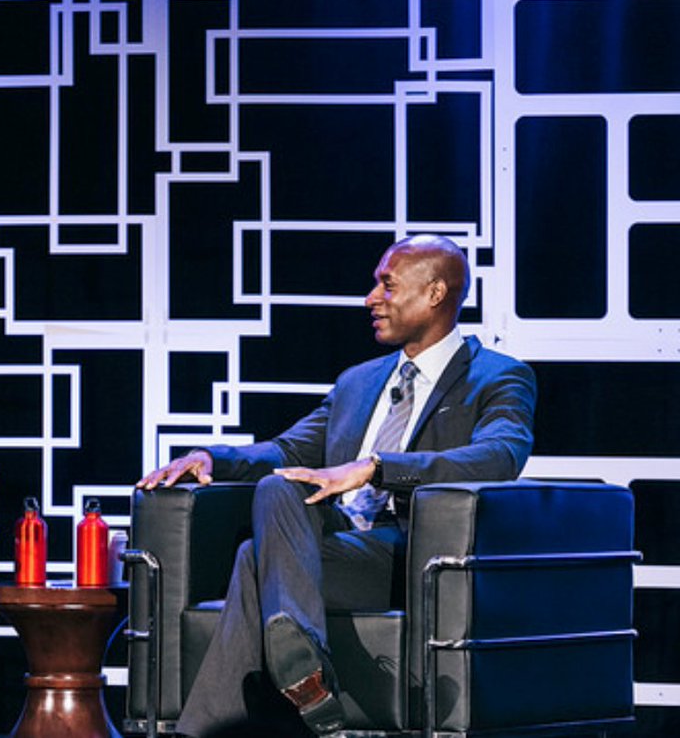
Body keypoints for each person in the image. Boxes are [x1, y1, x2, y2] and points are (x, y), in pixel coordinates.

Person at [138, 235, 536, 737]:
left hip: (408, 554)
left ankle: (207, 726)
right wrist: (211, 457)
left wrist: (377, 468)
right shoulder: (358, 382)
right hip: (337, 544)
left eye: (387, 285)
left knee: (252, 559)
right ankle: (306, 674)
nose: (371, 299)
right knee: (278, 489)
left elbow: (500, 456)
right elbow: (288, 451)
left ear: (435, 293)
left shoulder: (498, 377)